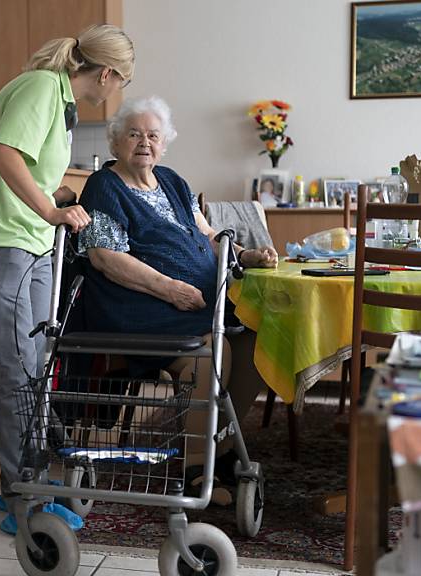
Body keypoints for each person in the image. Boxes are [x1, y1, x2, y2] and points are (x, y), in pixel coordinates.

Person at [0, 24, 134, 534]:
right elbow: (4, 155)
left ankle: (28, 478)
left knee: (33, 368)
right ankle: (20, 495)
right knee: (13, 371)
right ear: (108, 73)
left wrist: (59, 201)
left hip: (26, 245)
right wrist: (49, 212)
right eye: (121, 82)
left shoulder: (59, 101)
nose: (116, 92)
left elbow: (33, 172)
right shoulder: (39, 87)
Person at [76, 96, 277, 504]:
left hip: (195, 305)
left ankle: (217, 452)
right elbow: (106, 258)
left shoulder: (172, 181)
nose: (144, 143)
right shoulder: (105, 186)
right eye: (133, 134)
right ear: (115, 143)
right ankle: (196, 470)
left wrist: (244, 255)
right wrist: (169, 288)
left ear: (164, 143)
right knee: (213, 349)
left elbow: (208, 236)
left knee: (257, 339)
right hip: (138, 308)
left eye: (153, 135)